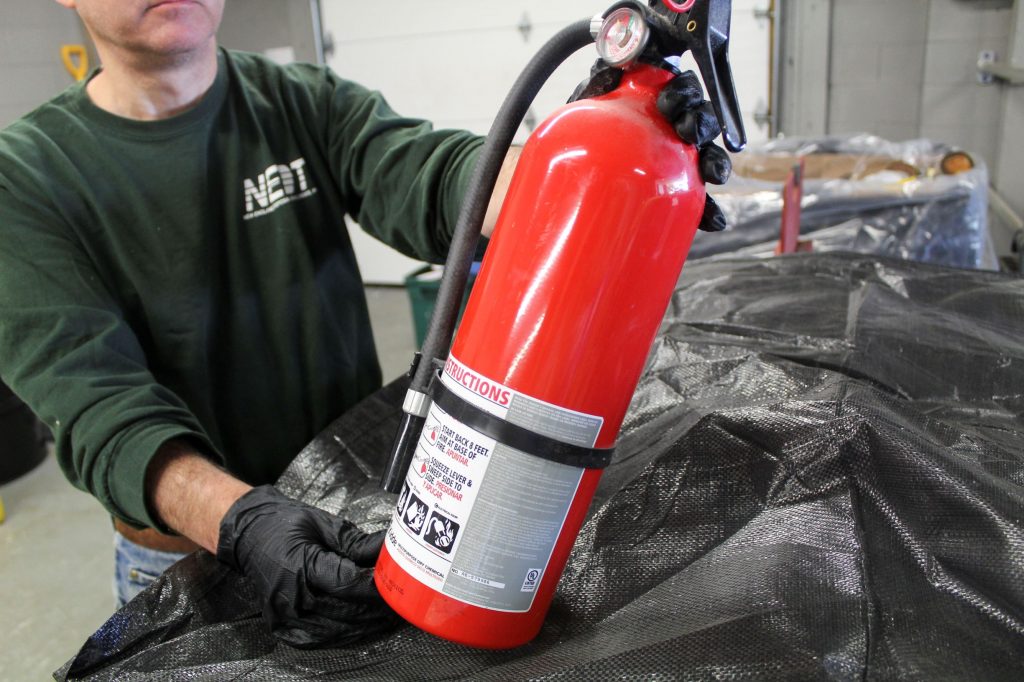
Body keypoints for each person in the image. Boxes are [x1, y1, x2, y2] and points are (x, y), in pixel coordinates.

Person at [0, 0, 730, 648]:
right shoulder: (27, 178)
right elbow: (96, 406)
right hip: (190, 555)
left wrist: (603, 155)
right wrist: (242, 521)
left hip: (350, 514)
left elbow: (431, 177)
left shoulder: (297, 100)